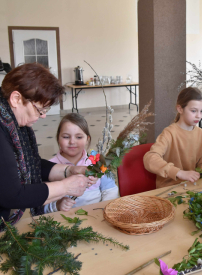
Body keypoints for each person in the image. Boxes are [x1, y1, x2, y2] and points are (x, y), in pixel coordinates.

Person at [0, 63, 97, 229]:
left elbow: (33, 164)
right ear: (16, 99)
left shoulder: (14, 125)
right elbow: (12, 195)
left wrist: (68, 171)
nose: (43, 116)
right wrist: (66, 186)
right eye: (40, 109)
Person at [45, 113, 119, 212]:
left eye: (79, 137)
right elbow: (42, 206)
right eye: (66, 137)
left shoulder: (97, 161)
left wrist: (104, 209)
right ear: (58, 138)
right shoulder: (49, 168)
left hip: (97, 216)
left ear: (87, 139)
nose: (72, 142)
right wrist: (57, 206)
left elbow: (110, 190)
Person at [143, 87, 202, 188]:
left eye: (201, 111)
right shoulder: (169, 133)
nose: (198, 116)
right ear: (180, 109)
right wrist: (179, 173)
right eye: (194, 111)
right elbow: (150, 159)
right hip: (169, 189)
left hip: (192, 187)